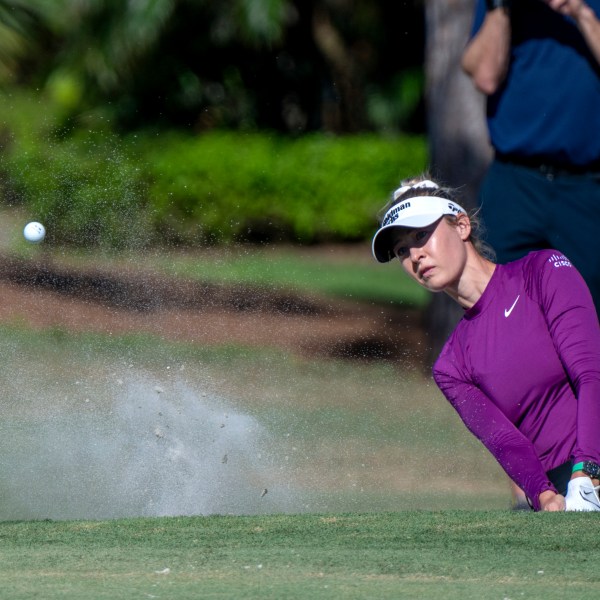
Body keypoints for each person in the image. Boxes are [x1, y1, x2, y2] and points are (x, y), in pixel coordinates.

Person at [371, 176, 600, 512]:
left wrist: (588, 470)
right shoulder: (450, 366)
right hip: (568, 487)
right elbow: (505, 442)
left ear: (462, 225)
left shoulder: (543, 271)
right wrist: (545, 498)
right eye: (402, 250)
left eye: (421, 235)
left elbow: (591, 373)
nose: (415, 256)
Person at [461, 0, 600, 312]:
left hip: (588, 188)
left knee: (590, 318)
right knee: (500, 310)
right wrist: (501, 8)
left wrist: (580, 12)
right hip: (514, 183)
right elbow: (484, 75)